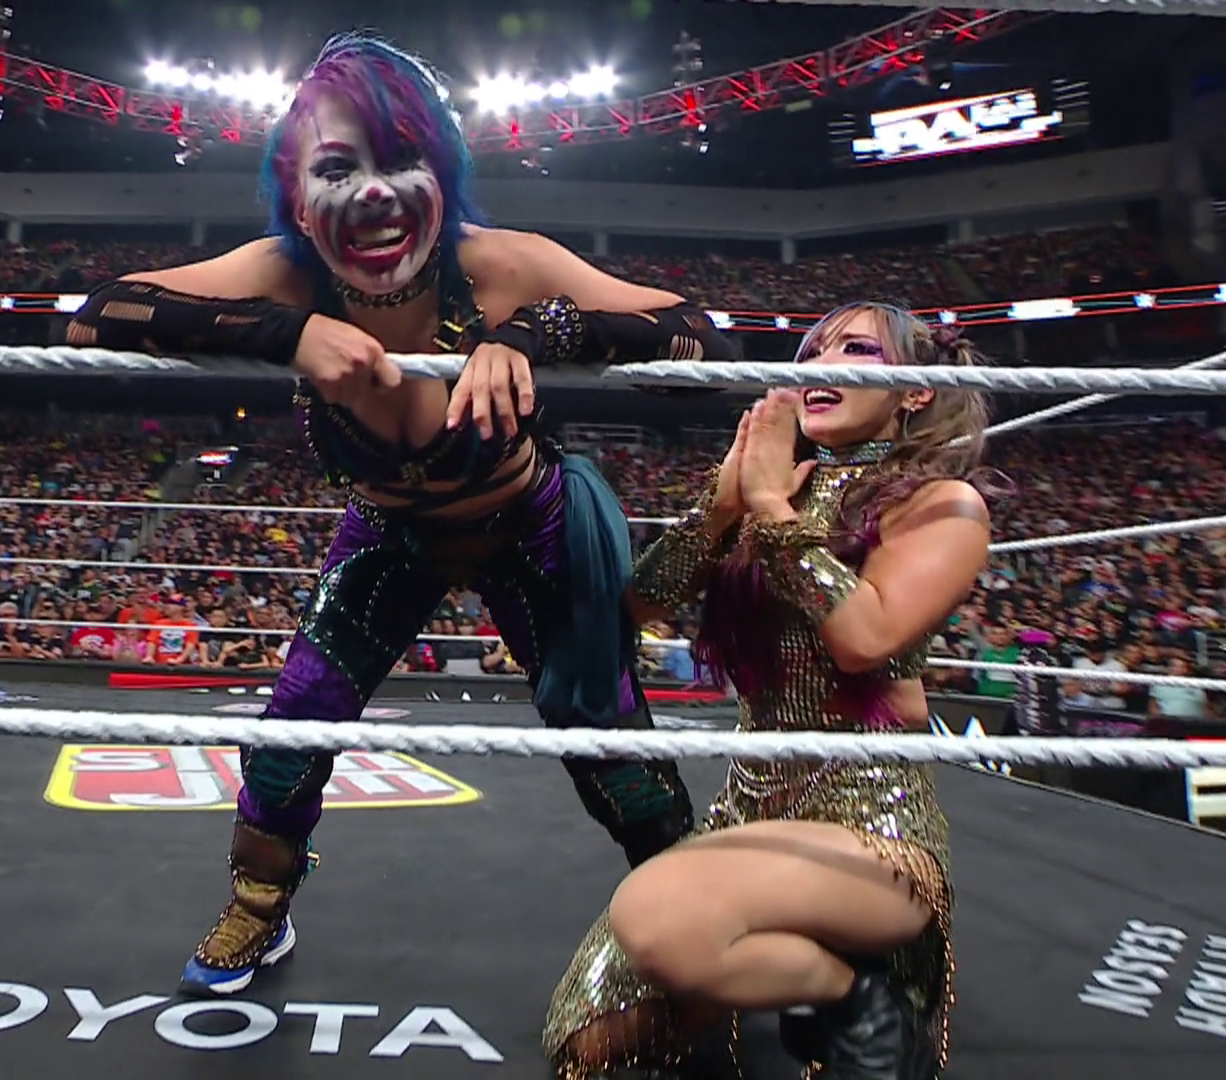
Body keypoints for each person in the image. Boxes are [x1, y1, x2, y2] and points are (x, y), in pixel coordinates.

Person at [67, 31, 739, 998]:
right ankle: (259, 906)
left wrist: (534, 332)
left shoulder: (499, 265)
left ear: (443, 172)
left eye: (401, 159)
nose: (375, 194)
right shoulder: (286, 275)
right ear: (299, 193)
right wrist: (287, 332)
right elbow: (98, 315)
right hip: (389, 534)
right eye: (339, 168)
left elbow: (694, 337)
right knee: (295, 721)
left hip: (528, 521)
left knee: (604, 730)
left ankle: (691, 905)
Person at [542, 302, 1005, 1080]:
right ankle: (806, 968)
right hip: (750, 811)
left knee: (657, 918)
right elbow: (638, 608)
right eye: (811, 350)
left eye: (855, 349)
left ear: (916, 390)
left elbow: (865, 639)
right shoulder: (778, 483)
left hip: (873, 829)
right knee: (584, 1046)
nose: (819, 364)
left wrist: (769, 510)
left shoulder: (942, 504)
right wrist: (722, 508)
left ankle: (859, 997)